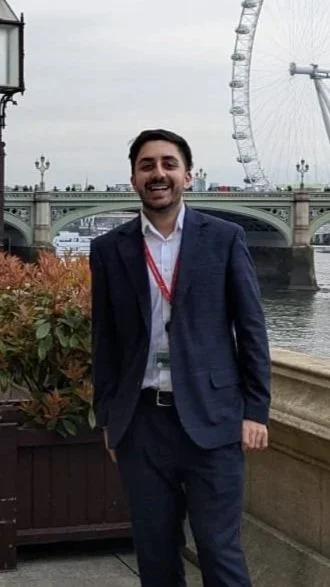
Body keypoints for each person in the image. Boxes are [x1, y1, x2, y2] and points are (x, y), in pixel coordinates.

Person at [90, 129, 271, 587]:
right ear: (133, 178)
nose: (159, 174)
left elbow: (251, 329)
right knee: (155, 554)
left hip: (213, 421)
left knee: (219, 550)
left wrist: (256, 410)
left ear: (188, 176)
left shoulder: (225, 238)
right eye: (147, 165)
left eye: (169, 164)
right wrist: (108, 418)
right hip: (142, 424)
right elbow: (105, 340)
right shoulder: (110, 249)